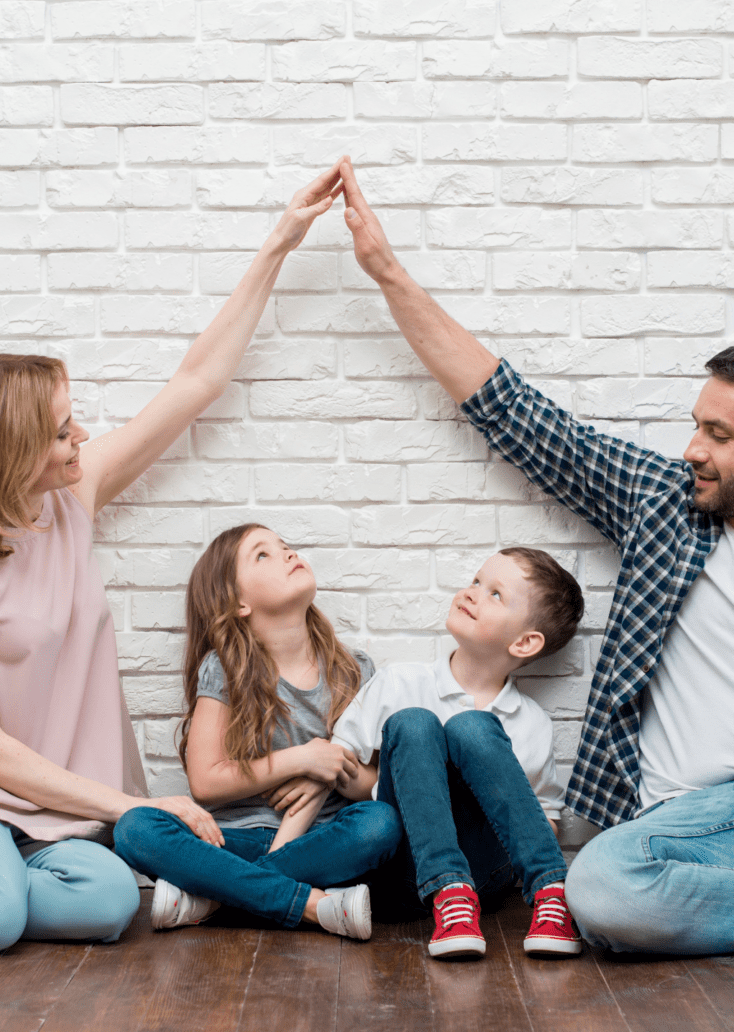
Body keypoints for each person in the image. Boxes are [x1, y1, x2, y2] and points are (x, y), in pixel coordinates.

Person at [339, 154, 734, 957]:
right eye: (698, 424)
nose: (691, 448)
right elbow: (516, 414)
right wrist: (386, 274)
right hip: (663, 824)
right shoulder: (666, 504)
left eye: (719, 435)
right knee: (602, 891)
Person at [0, 162, 345, 957]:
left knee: (108, 906)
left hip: (61, 808)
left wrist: (281, 241)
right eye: (64, 430)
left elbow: (196, 381)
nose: (82, 438)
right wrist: (135, 804)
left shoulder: (69, 500)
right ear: (7, 453)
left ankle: (2, 878)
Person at [113, 523, 402, 940]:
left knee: (380, 823)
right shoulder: (224, 668)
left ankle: (215, 900)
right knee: (134, 827)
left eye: (285, 546)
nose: (288, 553)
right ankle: (311, 905)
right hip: (235, 841)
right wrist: (302, 757)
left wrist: (337, 766)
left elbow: (374, 786)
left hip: (320, 844)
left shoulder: (355, 670)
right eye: (263, 555)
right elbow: (206, 783)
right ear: (238, 603)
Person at [326, 548, 583, 959]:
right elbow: (338, 760)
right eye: (477, 581)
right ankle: (448, 891)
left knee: (472, 727)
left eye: (496, 594)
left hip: (485, 872)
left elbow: (546, 819)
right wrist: (411, 785)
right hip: (404, 870)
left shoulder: (532, 722)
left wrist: (490, 799)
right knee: (414, 723)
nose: (473, 592)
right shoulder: (400, 682)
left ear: (525, 642)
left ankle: (551, 894)